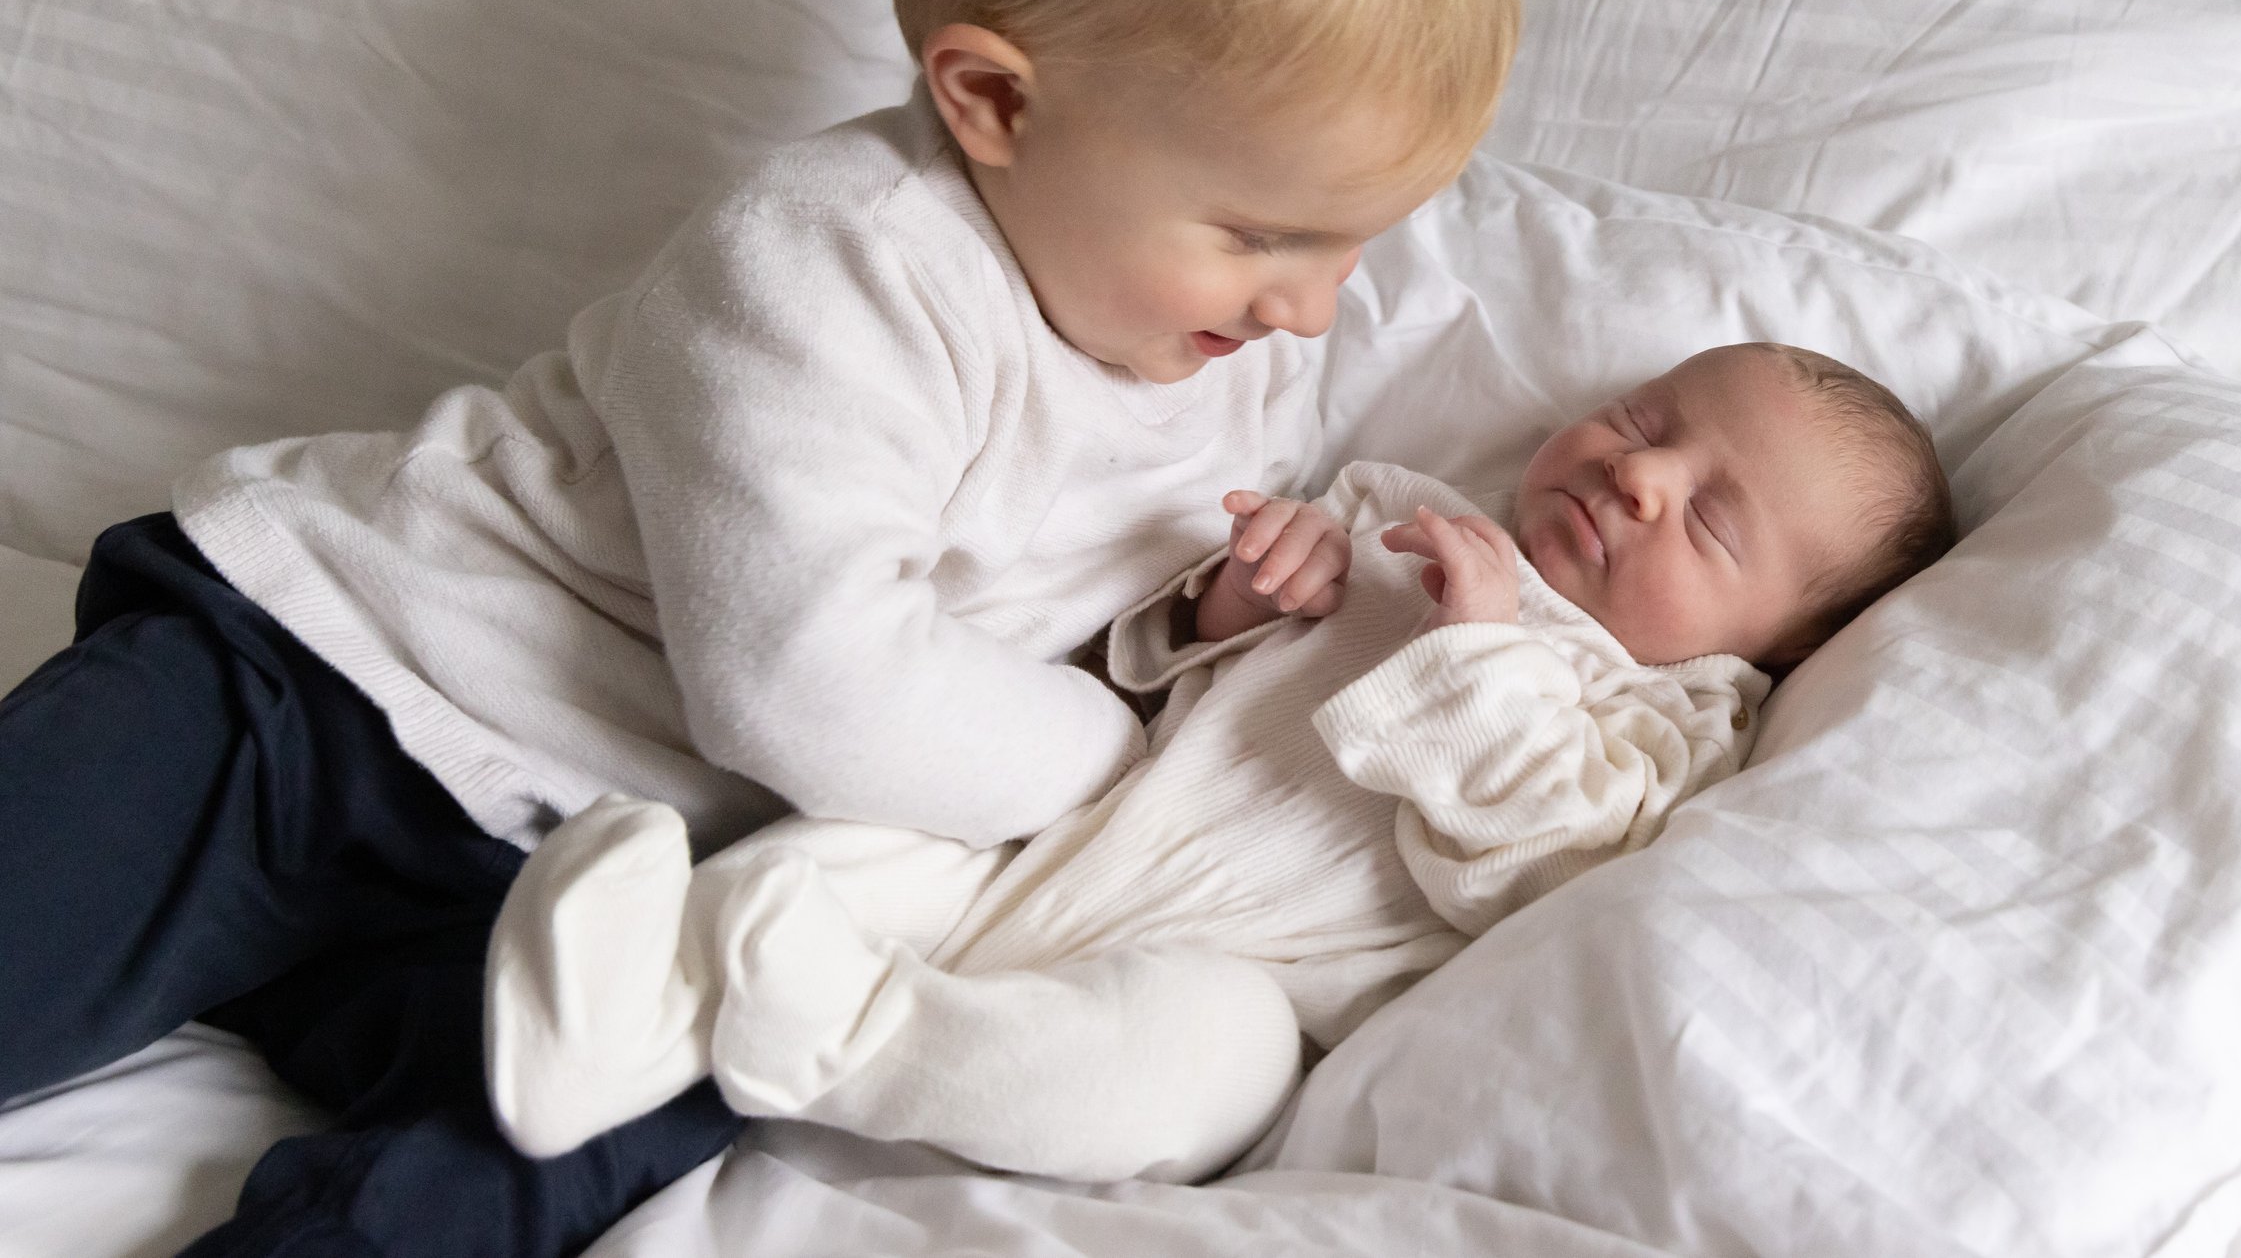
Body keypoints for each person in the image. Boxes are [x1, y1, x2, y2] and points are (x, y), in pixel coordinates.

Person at [0, 0, 1519, 1258]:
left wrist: (1198, 622)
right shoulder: (828, 259)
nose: (1311, 306)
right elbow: (808, 677)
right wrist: (1112, 757)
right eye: (1262, 235)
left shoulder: (1231, 357)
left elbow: (1061, 605)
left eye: (1358, 244)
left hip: (579, 872)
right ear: (995, 102)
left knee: (602, 1119)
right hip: (318, 694)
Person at [486, 343, 1957, 1183]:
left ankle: (859, 1040)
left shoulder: (1675, 724)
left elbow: (1551, 870)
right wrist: (1229, 603)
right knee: (872, 845)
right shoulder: (1400, 508)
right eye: (1646, 422)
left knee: (1205, 1074)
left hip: (1247, 982)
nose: (1639, 475)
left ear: (1761, 650)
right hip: (1059, 840)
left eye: (1707, 522)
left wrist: (1487, 650)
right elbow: (1131, 671)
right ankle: (604, 1026)